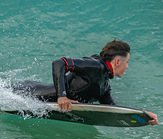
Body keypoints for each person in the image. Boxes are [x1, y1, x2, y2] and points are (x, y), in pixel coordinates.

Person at [12, 39, 158, 126]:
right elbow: (59, 63)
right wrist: (62, 96)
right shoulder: (94, 66)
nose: (127, 67)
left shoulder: (105, 86)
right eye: (127, 62)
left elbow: (112, 110)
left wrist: (144, 116)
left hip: (37, 99)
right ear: (118, 61)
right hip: (26, 92)